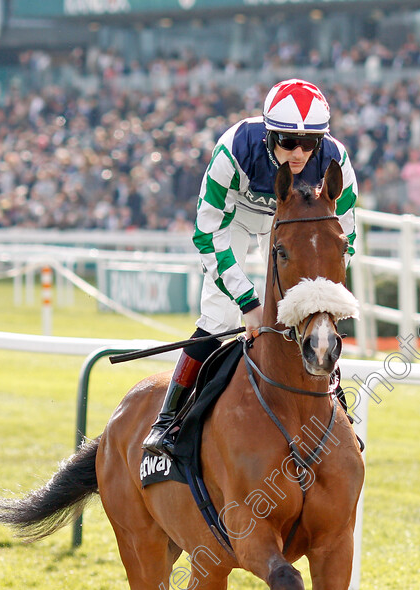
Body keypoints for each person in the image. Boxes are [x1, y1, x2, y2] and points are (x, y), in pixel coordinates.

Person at [143, 78, 359, 456]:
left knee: (311, 312)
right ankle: (168, 420)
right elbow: (208, 234)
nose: (298, 154)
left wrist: (325, 298)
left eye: (308, 144)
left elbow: (344, 240)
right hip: (235, 221)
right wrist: (247, 303)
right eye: (287, 142)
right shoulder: (234, 151)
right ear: (267, 135)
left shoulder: (336, 161)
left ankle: (336, 404)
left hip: (295, 222)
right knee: (218, 314)